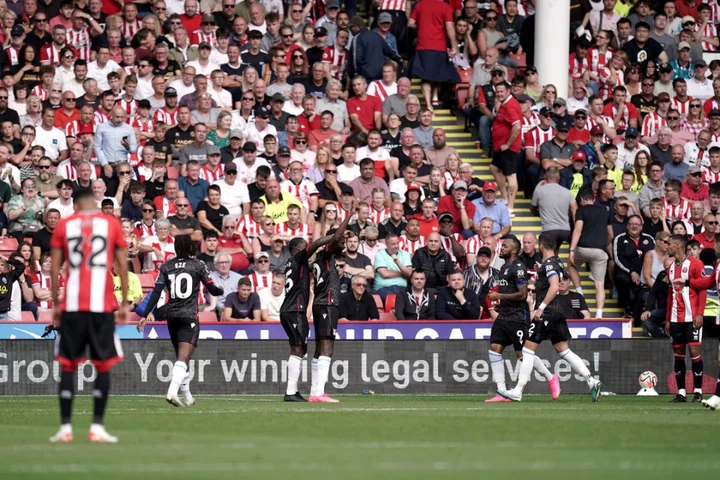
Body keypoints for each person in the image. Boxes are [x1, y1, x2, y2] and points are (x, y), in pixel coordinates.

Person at [49, 187, 128, 444]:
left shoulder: (65, 225)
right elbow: (122, 263)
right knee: (103, 364)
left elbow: (55, 267)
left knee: (68, 365)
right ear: (94, 203)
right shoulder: (110, 224)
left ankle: (65, 428)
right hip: (102, 304)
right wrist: (125, 301)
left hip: (72, 304)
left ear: (74, 204)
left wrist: (55, 303)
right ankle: (96, 427)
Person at [498, 232, 603, 403]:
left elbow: (554, 287)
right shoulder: (556, 263)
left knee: (526, 350)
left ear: (541, 245)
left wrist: (540, 308)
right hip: (557, 312)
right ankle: (592, 380)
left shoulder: (549, 265)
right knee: (565, 351)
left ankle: (517, 391)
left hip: (547, 312)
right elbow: (551, 279)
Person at [137, 235, 223, 407]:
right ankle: (172, 392)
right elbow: (212, 289)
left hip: (172, 316)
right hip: (189, 315)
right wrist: (220, 290)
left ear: (176, 248)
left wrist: (145, 314)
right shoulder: (198, 265)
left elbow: (155, 292)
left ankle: (188, 396)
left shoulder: (166, 266)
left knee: (181, 358)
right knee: (183, 358)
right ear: (191, 247)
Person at [485, 236, 558, 403]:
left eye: (505, 246)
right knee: (495, 347)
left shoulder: (518, 268)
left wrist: (499, 295)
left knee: (522, 355)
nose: (501, 248)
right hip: (504, 315)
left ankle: (550, 377)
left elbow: (523, 294)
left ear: (514, 250)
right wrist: (501, 304)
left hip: (518, 317)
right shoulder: (503, 267)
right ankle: (501, 391)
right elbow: (511, 291)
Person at [281, 225, 345, 402]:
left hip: (292, 309)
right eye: (304, 247)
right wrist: (330, 238)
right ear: (298, 250)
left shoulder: (293, 264)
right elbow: (316, 244)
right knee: (298, 349)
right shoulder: (298, 259)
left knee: (301, 348)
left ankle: (298, 391)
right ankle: (292, 391)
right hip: (295, 309)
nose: (307, 250)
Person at [307, 199, 355, 403]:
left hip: (322, 304)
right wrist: (350, 214)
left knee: (320, 348)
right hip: (326, 304)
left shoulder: (321, 259)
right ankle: (318, 393)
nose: (343, 244)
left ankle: (314, 392)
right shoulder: (326, 255)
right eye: (341, 242)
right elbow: (335, 237)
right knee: (327, 347)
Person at [665, 234, 707, 403]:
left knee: (694, 352)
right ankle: (681, 392)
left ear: (677, 246)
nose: (666, 247)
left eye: (669, 244)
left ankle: (698, 391)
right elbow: (670, 295)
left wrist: (699, 313)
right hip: (676, 318)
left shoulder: (696, 264)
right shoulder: (670, 269)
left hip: (692, 317)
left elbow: (703, 290)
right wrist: (668, 318)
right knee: (678, 355)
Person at [568, 190, 610, 319]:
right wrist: (603, 244)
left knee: (570, 265)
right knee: (600, 284)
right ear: (593, 199)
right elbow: (611, 234)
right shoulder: (605, 211)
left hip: (583, 248)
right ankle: (599, 314)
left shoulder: (581, 210)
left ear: (582, 200)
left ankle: (579, 291)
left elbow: (578, 230)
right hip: (600, 252)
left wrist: (571, 250)